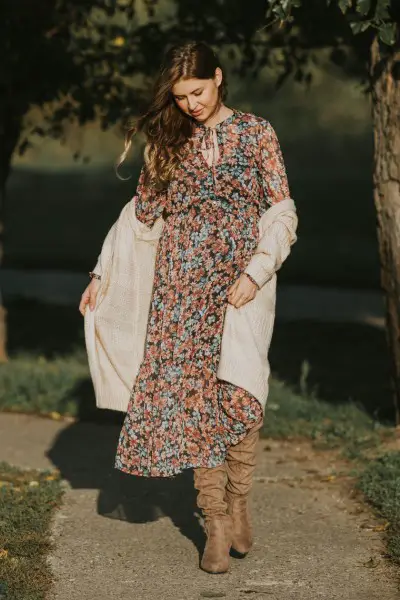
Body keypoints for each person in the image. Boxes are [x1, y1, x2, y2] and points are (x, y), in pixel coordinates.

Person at [79, 40, 298, 575]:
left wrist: (255, 272)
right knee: (194, 401)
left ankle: (241, 496)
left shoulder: (256, 133)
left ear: (218, 78)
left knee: (241, 391)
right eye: (179, 97)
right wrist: (101, 273)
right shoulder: (169, 140)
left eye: (197, 92)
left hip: (239, 284)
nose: (190, 105)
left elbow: (282, 210)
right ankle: (216, 520)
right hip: (179, 292)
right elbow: (142, 214)